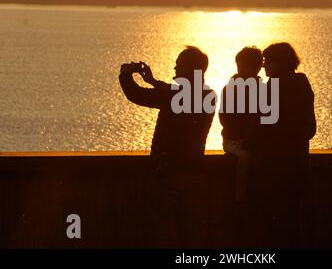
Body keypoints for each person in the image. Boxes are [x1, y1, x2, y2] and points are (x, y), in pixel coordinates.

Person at [119, 46, 216, 247]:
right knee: (191, 225)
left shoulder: (173, 95)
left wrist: (125, 73)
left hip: (169, 170)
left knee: (164, 223)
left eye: (179, 62)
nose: (175, 65)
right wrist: (153, 81)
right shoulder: (209, 95)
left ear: (189, 68)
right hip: (195, 170)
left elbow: (136, 95)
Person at [247, 42, 316, 248]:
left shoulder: (271, 90)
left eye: (268, 62)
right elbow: (310, 129)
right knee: (292, 220)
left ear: (279, 63)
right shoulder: (302, 84)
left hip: (273, 166)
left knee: (271, 223)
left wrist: (248, 142)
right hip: (298, 163)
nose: (264, 67)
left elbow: (258, 125)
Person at [219, 46, 263, 205]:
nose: (242, 70)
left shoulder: (263, 89)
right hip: (233, 140)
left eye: (247, 66)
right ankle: (240, 199)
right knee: (244, 158)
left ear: (258, 67)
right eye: (240, 66)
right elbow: (224, 118)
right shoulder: (230, 88)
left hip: (252, 141)